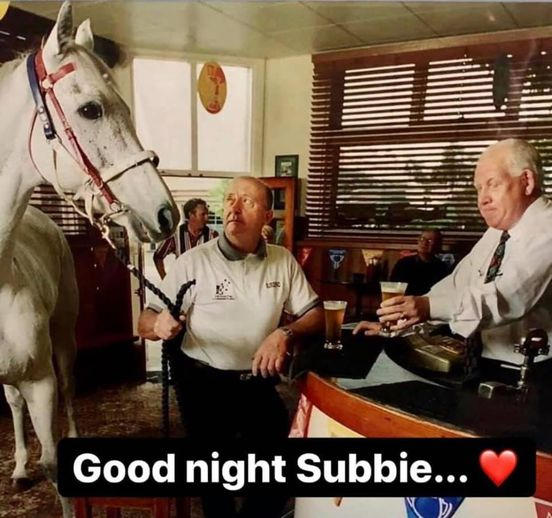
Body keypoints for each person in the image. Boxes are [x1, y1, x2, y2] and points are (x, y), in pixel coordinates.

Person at [138, 176, 324, 518]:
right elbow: (144, 321)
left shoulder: (282, 260)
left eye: (247, 202)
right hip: (203, 385)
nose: (234, 209)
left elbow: (315, 314)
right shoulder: (193, 261)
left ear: (267, 216)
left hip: (257, 382)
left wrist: (285, 332)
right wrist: (158, 324)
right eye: (230, 200)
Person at [354, 138, 552, 374]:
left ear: (527, 181)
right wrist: (401, 323)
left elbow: (502, 298)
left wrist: (427, 307)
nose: (482, 199)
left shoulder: (548, 230)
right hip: (484, 364)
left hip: (535, 373)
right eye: (478, 189)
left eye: (493, 184)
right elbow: (457, 285)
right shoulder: (497, 232)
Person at [153, 197, 218, 278]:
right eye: (203, 214)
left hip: (205, 283)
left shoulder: (213, 236)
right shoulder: (176, 235)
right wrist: (165, 279)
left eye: (207, 214)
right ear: (191, 215)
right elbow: (158, 256)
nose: (207, 218)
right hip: (183, 283)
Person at [389, 229, 450, 295]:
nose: (424, 243)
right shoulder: (403, 263)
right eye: (422, 239)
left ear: (438, 245)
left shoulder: (441, 268)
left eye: (430, 240)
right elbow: (393, 287)